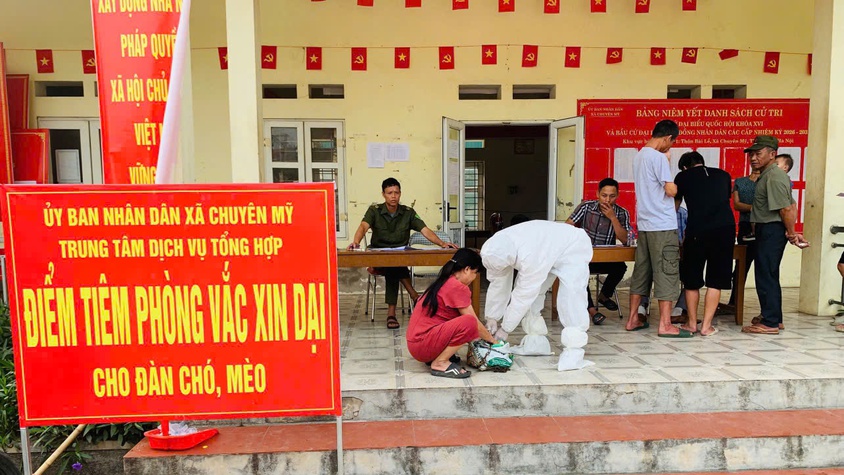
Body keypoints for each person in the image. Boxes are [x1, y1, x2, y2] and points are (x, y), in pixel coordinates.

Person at [481, 220, 593, 370]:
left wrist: (505, 329)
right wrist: (492, 317)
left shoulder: (529, 255)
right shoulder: (493, 249)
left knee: (571, 298)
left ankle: (574, 354)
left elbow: (523, 295)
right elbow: (498, 282)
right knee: (532, 293)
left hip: (572, 245)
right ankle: (536, 343)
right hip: (546, 245)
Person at [348, 177, 458, 329]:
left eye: (396, 193)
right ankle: (413, 296)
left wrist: (442, 243)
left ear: (400, 194)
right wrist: (356, 241)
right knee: (393, 265)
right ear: (383, 194)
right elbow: (363, 227)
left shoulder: (408, 212)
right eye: (389, 193)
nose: (393, 196)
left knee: (394, 265)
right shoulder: (374, 211)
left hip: (400, 257)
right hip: (378, 257)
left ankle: (393, 313)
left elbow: (424, 230)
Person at [625, 119, 690, 338]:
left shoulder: (639, 155)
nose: (670, 148)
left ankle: (633, 318)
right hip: (662, 224)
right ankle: (665, 324)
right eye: (671, 143)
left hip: (644, 224)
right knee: (667, 271)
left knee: (642, 271)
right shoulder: (659, 157)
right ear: (667, 138)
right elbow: (670, 190)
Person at [742, 136, 809, 335]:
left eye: (758, 153)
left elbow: (787, 208)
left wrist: (791, 233)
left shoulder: (774, 176)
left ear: (772, 154)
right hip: (767, 229)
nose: (753, 158)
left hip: (772, 230)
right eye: (751, 154)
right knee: (768, 273)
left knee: (766, 275)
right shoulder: (767, 175)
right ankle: (773, 318)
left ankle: (770, 322)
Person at [406, 248, 500, 378]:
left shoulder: (446, 280)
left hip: (417, 344)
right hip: (422, 344)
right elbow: (473, 322)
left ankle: (437, 356)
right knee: (470, 322)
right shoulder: (457, 287)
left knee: (466, 322)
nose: (474, 277)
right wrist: (494, 342)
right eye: (474, 273)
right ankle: (440, 362)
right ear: (466, 269)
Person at [673, 151, 736, 337]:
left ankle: (692, 324)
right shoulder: (724, 175)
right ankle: (707, 326)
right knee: (715, 280)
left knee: (691, 279)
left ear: (684, 167)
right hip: (725, 229)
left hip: (697, 230)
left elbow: (675, 207)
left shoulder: (683, 176)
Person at [566, 177, 633, 325]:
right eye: (604, 195)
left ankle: (604, 296)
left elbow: (626, 240)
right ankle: (592, 310)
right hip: (585, 258)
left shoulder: (622, 213)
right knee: (578, 271)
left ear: (618, 196)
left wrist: (613, 218)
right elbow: (567, 226)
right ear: (597, 194)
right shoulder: (586, 207)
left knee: (621, 267)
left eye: (612, 196)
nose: (607, 200)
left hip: (606, 258)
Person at [718, 165, 762, 315]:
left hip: (764, 226)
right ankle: (734, 303)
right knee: (741, 267)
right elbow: (737, 205)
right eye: (752, 156)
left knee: (764, 268)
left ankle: (767, 309)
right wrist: (758, 208)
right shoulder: (741, 181)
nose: (754, 160)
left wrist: (750, 207)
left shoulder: (768, 180)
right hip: (745, 226)